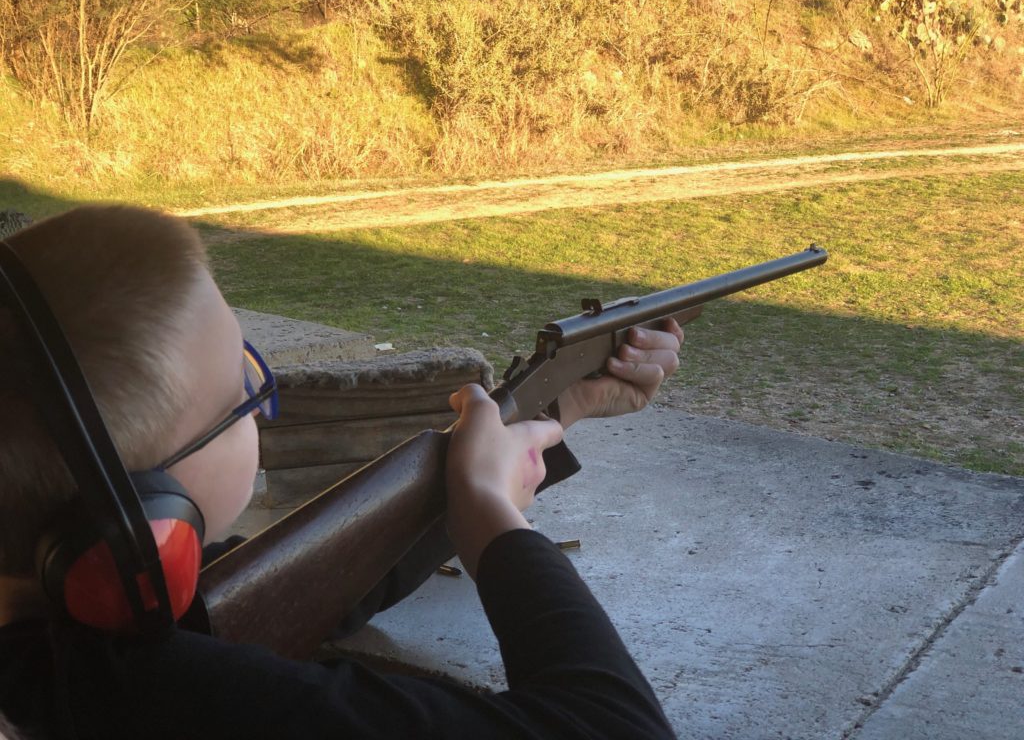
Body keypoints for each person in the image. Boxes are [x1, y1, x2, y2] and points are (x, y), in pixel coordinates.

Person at [0, 205, 684, 738]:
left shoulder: (59, 639)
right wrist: (497, 523)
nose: (262, 409)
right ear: (145, 514)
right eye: (244, 391)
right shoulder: (144, 695)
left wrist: (555, 408)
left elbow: (309, 590)